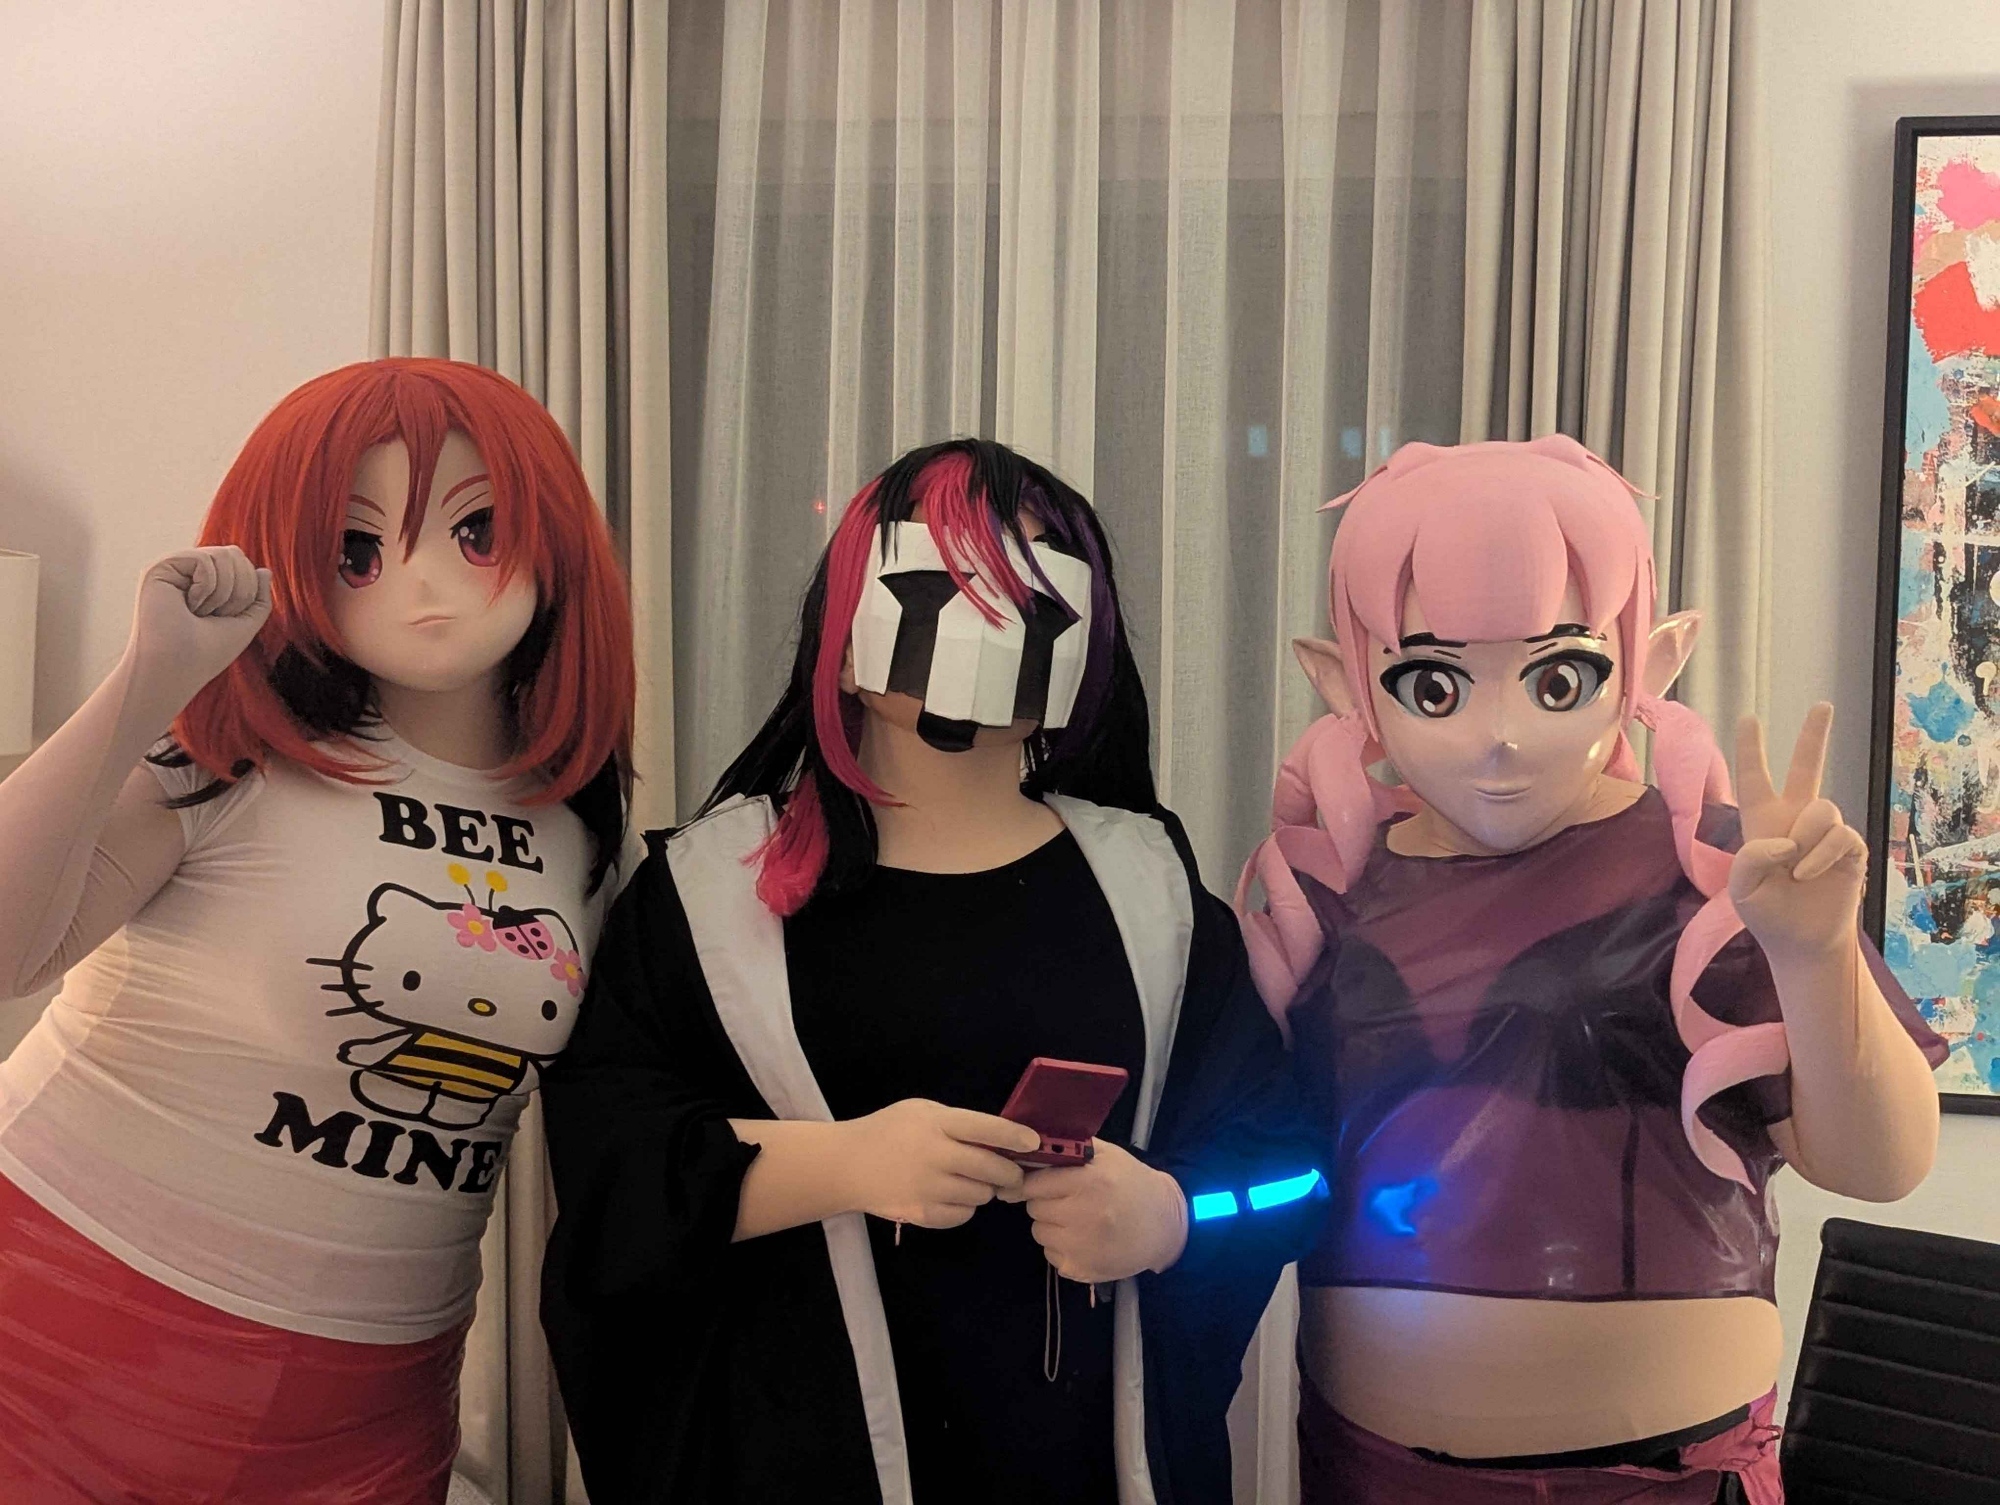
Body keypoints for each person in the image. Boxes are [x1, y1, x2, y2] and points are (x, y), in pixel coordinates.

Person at [541, 438, 1327, 1504]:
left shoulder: (1152, 897)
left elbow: (1291, 1174)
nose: (985, 628)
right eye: (944, 586)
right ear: (845, 627)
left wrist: (1170, 1215)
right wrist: (842, 1164)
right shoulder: (705, 895)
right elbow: (609, 1172)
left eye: (1030, 598)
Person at [1237, 436, 1946, 1505]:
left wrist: (1813, 952)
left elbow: (1879, 1163)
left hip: (1669, 1476)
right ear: (1346, 681)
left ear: (1649, 659)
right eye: (1433, 683)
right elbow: (1255, 1161)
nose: (1500, 737)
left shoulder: (1723, 870)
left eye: (1558, 676)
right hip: (1369, 1467)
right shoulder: (1327, 889)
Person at [0, 359, 634, 1503]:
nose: (423, 582)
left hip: (373, 1391)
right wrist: (147, 679)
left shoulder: (583, 824)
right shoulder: (228, 754)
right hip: (57, 1316)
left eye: (477, 530)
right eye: (356, 549)